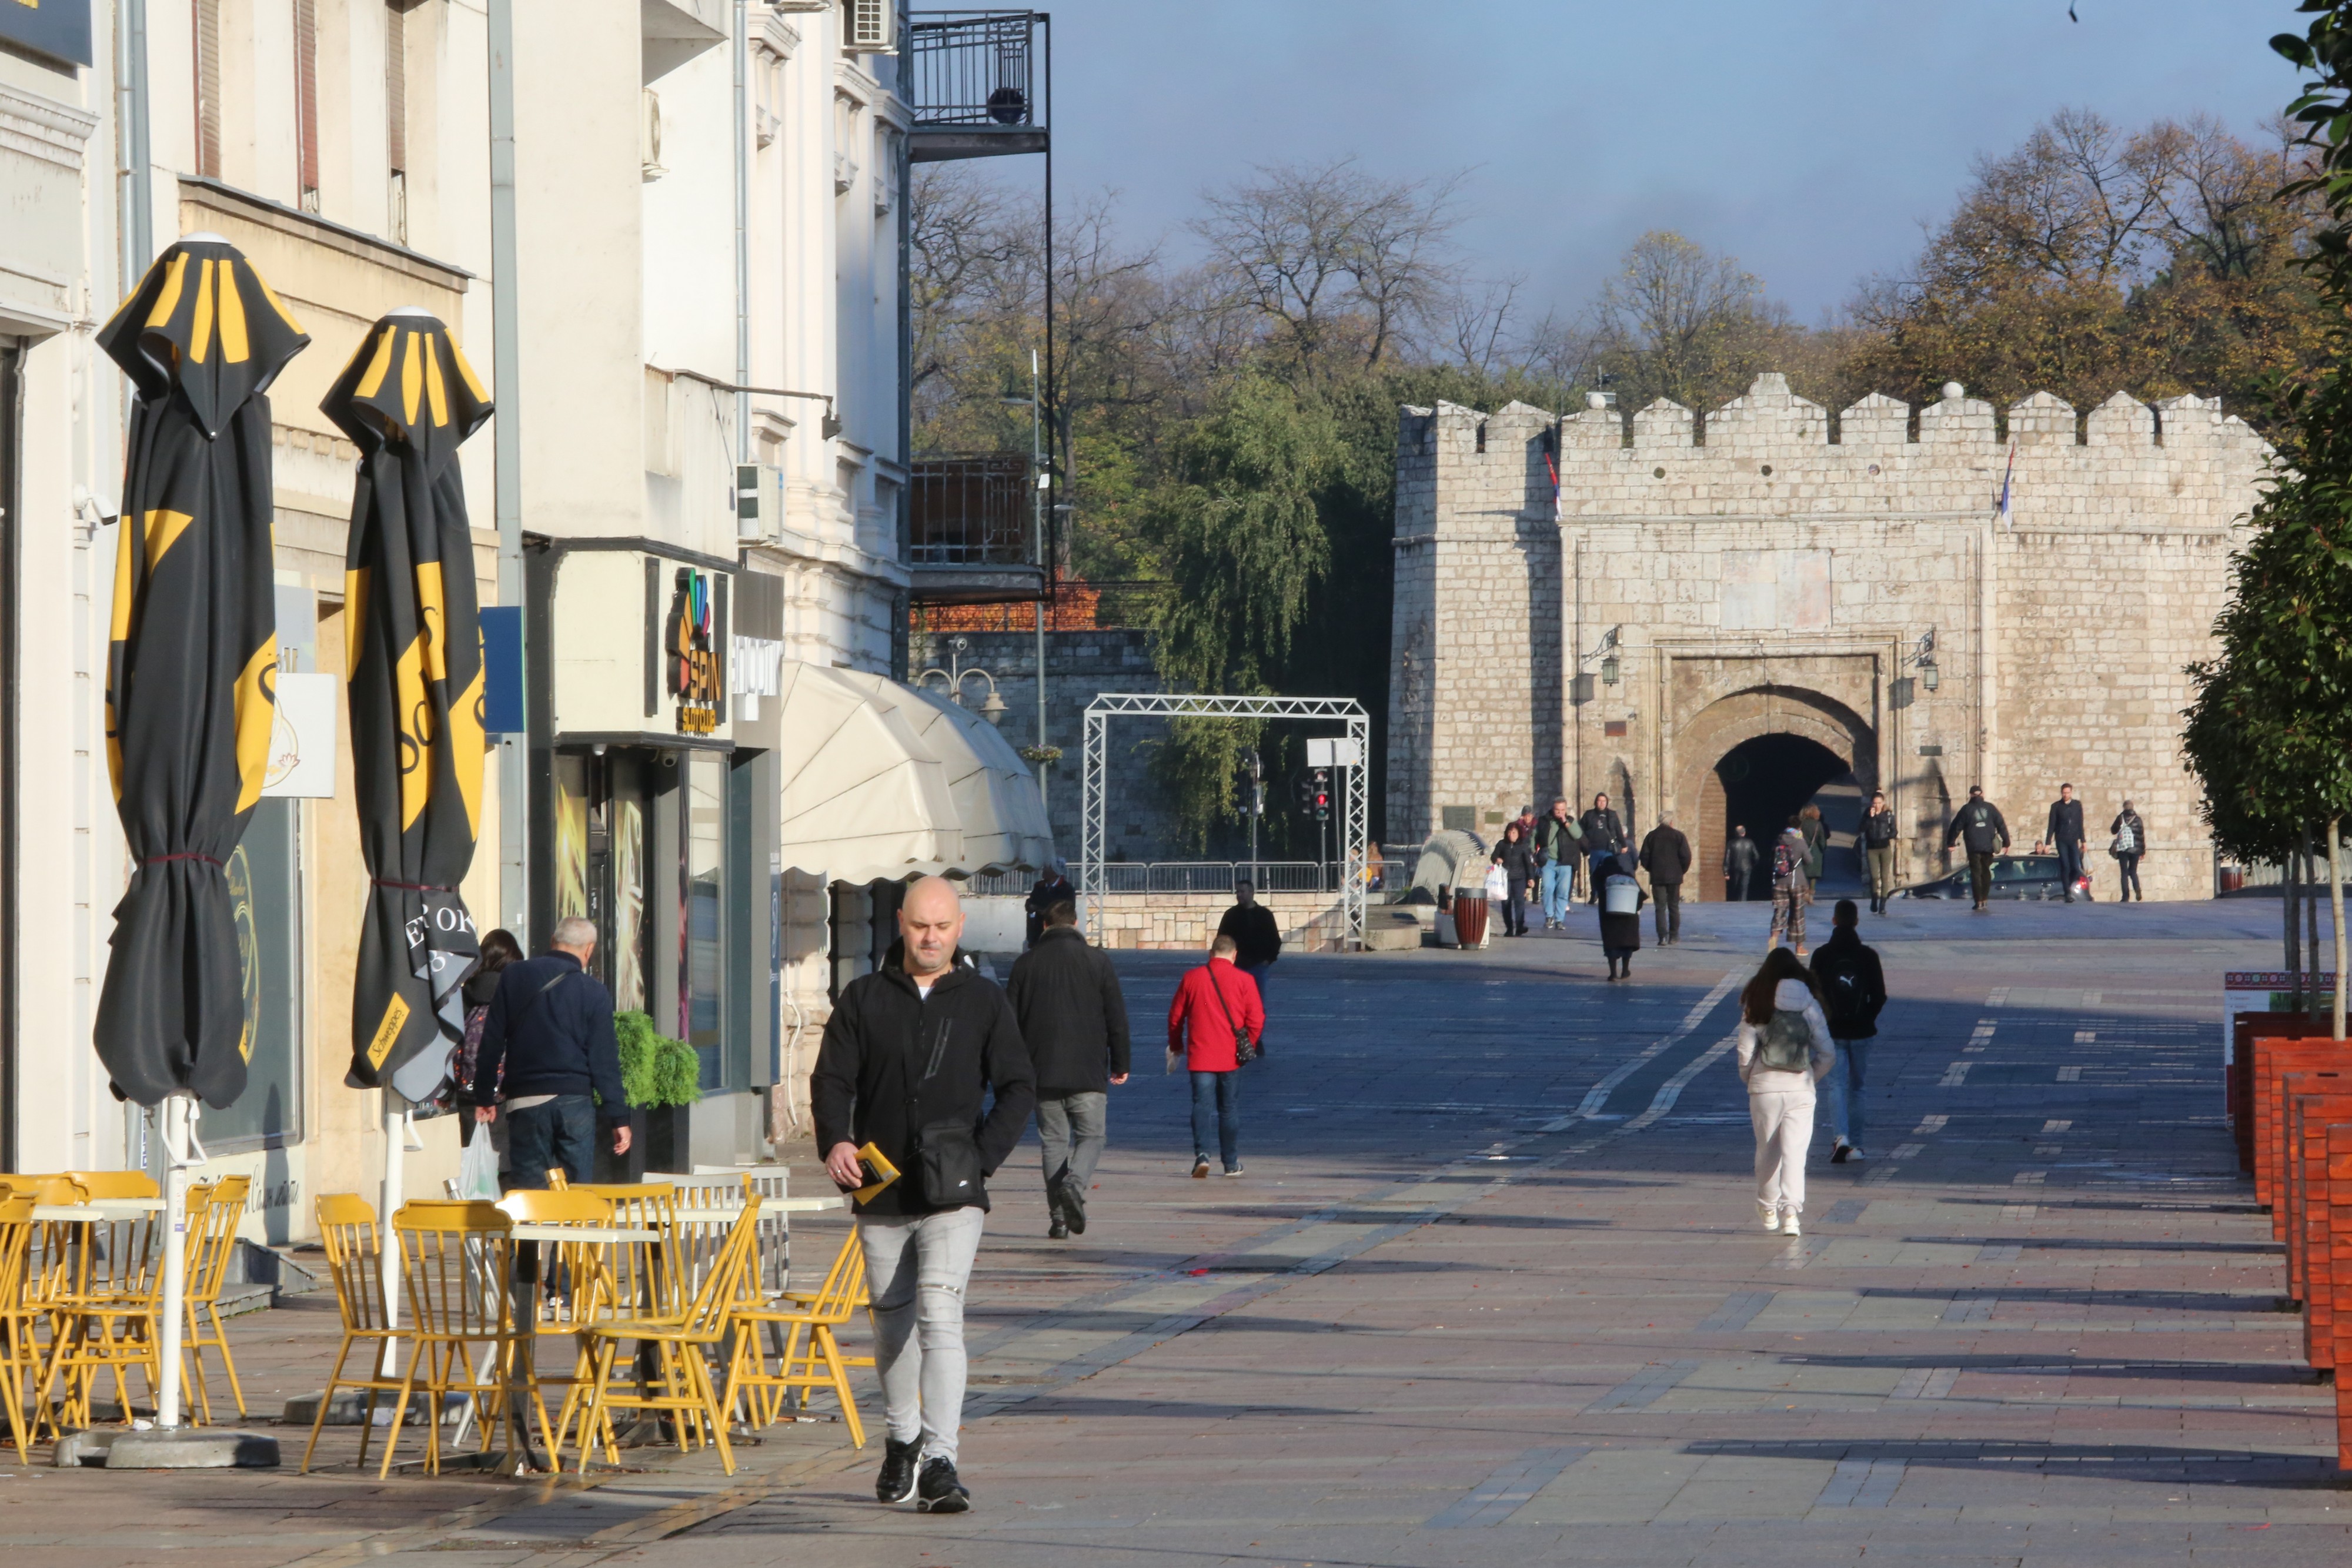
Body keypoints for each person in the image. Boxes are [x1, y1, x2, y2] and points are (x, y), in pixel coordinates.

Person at [814, 875, 1036, 1515]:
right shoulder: (863, 998)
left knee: (940, 1314)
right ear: (902, 927)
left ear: (959, 927)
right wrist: (835, 1141)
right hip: (880, 1189)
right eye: (919, 926)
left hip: (953, 1194)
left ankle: (942, 1460)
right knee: (891, 1323)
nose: (930, 937)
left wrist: (982, 1159)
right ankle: (901, 1435)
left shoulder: (984, 1002)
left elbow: (1018, 1086)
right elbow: (831, 1078)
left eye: (941, 926)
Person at [466, 916, 633, 1189]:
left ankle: (531, 1232)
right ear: (589, 950)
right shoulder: (594, 991)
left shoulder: (514, 976)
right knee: (576, 1190)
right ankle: (571, 1232)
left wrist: (485, 1096)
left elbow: (492, 1040)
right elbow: (604, 1061)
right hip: (574, 1101)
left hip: (526, 1100)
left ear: (553, 942)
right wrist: (619, 1119)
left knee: (531, 1192)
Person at [1005, 900, 1131, 1241]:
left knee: (1053, 1143)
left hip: (1041, 1072)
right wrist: (1121, 1063)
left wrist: (1010, 1072)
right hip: (1088, 1069)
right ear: (1076, 924)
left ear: (1045, 926)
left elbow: (1009, 1025)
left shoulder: (1025, 964)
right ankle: (1074, 1184)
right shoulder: (1097, 961)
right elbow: (1116, 1017)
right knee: (1092, 1136)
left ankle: (1058, 1219)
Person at [1735, 947, 1836, 1235]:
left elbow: (1745, 1051)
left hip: (1765, 1088)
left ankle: (1768, 1207)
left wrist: (1751, 1078)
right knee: (1796, 1153)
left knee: (1767, 1150)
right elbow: (1828, 1053)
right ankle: (1791, 1214)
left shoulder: (1759, 1000)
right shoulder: (1809, 1004)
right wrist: (1809, 1078)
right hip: (1801, 1088)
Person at [1168, 933, 1265, 1178]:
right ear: (1235, 955)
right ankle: (1231, 1163)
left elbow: (1176, 1018)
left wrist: (1176, 1044)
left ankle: (1202, 1155)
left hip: (1200, 1055)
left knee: (1201, 1105)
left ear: (1210, 954)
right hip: (1231, 1056)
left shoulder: (1192, 978)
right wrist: (1249, 1044)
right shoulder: (1245, 980)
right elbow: (1257, 1019)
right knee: (1229, 1109)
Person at [1809, 900, 1887, 1165]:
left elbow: (1813, 993)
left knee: (1836, 1086)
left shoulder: (1821, 955)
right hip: (1862, 1031)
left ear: (1834, 921)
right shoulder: (1868, 956)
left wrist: (1823, 1020)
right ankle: (1856, 1144)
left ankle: (1839, 1138)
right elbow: (1879, 995)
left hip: (1832, 1030)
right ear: (1856, 922)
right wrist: (1866, 1018)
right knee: (1858, 1088)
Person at [454, 927, 524, 1153]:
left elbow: (450, 1039)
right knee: (506, 1165)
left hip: (468, 1092)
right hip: (507, 1092)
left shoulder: (463, 994)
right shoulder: (515, 995)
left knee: (474, 1159)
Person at [1215, 877, 1282, 1005]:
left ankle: (1254, 1025)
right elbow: (1222, 940)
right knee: (1234, 1002)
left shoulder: (1265, 915)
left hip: (1258, 966)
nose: (1239, 895)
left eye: (1242, 892)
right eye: (1237, 892)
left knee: (1256, 1003)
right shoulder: (1231, 915)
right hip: (1236, 966)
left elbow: (1275, 940)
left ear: (1251, 893)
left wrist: (1269, 960)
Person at [1943, 785, 2011, 912]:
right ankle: (1985, 899)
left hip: (1973, 846)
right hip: (1988, 846)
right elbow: (2001, 824)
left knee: (1976, 873)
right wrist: (2007, 843)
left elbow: (1956, 827)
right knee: (1986, 872)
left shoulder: (1966, 809)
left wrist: (1951, 843)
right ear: (1982, 794)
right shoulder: (1990, 808)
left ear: (1971, 795)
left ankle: (1978, 901)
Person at [1638, 811, 1690, 945]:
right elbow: (1686, 857)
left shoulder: (1651, 836)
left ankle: (1662, 937)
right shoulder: (1679, 836)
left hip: (1658, 876)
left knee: (1660, 907)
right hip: (1675, 877)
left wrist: (1652, 869)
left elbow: (1644, 856)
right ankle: (1674, 936)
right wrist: (1681, 871)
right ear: (1671, 822)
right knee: (1674, 906)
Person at [1597, 848, 1646, 980]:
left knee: (1611, 944)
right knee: (1626, 944)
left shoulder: (1601, 874)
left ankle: (1613, 973)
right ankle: (1625, 971)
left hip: (1609, 917)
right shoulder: (1627, 875)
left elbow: (1597, 889)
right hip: (1628, 917)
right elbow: (1641, 896)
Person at [1768, 817, 1812, 957]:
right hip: (1796, 882)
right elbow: (1809, 861)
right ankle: (1799, 947)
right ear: (1799, 828)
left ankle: (1774, 938)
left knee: (1779, 911)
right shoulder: (1800, 842)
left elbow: (1771, 859)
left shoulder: (1778, 840)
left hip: (1779, 882)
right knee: (1797, 914)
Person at [1535, 797, 1581, 930]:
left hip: (1565, 861)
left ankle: (1560, 919)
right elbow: (1535, 835)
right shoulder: (1544, 821)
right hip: (1548, 861)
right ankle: (1549, 916)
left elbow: (1578, 835)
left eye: (1562, 810)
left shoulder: (1570, 821)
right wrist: (1533, 851)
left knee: (1563, 891)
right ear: (1553, 809)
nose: (1560, 813)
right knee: (1547, 888)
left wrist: (1565, 822)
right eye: (1557, 810)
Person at [2044, 783, 2090, 903]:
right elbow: (2051, 825)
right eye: (2064, 793)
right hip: (2061, 839)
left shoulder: (2077, 805)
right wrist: (2048, 842)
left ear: (2071, 793)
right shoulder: (2056, 807)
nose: (2066, 795)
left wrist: (2083, 841)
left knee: (2075, 866)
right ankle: (2067, 893)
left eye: (2068, 793)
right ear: (2061, 793)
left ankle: (2069, 885)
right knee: (2065, 865)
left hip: (2074, 839)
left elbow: (2080, 824)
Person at [1491, 821, 1538, 938]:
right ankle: (1509, 928)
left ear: (1519, 833)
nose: (1511, 835)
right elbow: (1494, 856)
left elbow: (1528, 863)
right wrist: (1497, 859)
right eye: (1509, 832)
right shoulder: (1502, 844)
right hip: (1505, 878)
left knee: (1519, 902)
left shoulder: (1523, 846)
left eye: (1514, 832)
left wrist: (1531, 878)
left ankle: (1520, 926)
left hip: (1519, 878)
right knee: (1506, 903)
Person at [1579, 793, 1626, 902]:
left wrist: (1623, 844)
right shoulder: (1589, 815)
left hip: (1608, 849)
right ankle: (1594, 893)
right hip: (1594, 849)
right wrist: (1584, 845)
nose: (1602, 803)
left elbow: (1618, 830)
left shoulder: (1612, 815)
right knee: (1594, 872)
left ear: (1607, 803)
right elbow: (1580, 831)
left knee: (1609, 872)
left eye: (1604, 801)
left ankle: (1606, 894)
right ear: (1596, 802)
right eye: (1599, 801)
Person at [1860, 791, 1899, 914]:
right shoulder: (1867, 814)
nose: (1877, 806)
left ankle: (1883, 904)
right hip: (1872, 849)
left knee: (1885, 876)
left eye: (1879, 803)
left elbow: (1894, 832)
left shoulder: (1888, 815)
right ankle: (1874, 899)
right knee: (1874, 877)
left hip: (1885, 848)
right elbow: (1861, 829)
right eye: (1875, 803)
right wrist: (1870, 818)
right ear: (1872, 803)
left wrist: (1886, 836)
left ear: (1883, 803)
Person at [1023, 862, 1075, 950]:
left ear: (1055, 872)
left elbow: (1066, 908)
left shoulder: (1066, 889)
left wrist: (1043, 909)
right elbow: (1030, 903)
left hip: (1057, 932)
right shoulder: (1039, 887)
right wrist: (1032, 907)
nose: (1043, 871)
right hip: (1038, 932)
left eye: (1047, 869)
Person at [2110, 799, 2147, 902]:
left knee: (2124, 872)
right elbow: (2141, 836)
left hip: (2123, 848)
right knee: (2133, 871)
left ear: (2124, 807)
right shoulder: (2138, 819)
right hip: (2135, 849)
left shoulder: (2120, 818)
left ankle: (2125, 897)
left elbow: (2113, 830)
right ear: (2132, 807)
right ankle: (2138, 891)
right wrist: (2142, 851)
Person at [1798, 803, 1827, 901]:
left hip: (1803, 851)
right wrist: (1823, 849)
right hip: (1815, 852)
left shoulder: (1800, 824)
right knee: (1814, 875)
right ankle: (1811, 893)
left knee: (1804, 873)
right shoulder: (1818, 825)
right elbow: (1822, 840)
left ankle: (1805, 891)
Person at [1724, 824, 1760, 902]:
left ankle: (1736, 903)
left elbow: (1727, 858)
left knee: (1735, 888)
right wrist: (1752, 865)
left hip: (1734, 868)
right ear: (1744, 833)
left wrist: (1726, 872)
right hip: (1747, 868)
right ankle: (1743, 903)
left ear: (1736, 833)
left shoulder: (1731, 843)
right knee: (1744, 887)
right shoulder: (1750, 842)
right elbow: (1756, 856)